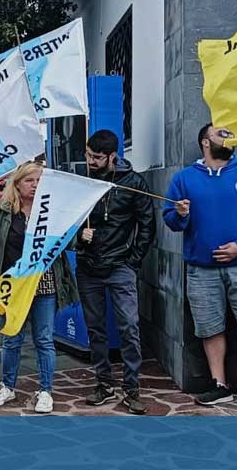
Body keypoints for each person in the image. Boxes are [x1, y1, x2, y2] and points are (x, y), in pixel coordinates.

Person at [162, 123, 237, 416]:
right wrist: (180, 215)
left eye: (230, 134)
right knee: (209, 328)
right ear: (205, 142)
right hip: (201, 270)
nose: (228, 138)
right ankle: (220, 384)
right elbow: (171, 221)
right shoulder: (184, 179)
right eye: (221, 134)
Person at [0, 161, 79, 414]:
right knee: (11, 339)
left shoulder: (50, 211)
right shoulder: (5, 210)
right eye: (30, 181)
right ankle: (7, 386)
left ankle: (46, 391)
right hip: (13, 287)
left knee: (44, 340)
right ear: (17, 184)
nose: (35, 185)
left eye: (39, 181)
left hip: (44, 283)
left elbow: (67, 241)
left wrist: (81, 235)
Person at [75, 130, 155, 414]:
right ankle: (103, 384)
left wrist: (133, 261)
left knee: (129, 327)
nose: (90, 161)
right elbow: (66, 222)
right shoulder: (82, 182)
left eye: (96, 157)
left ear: (112, 156)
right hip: (88, 267)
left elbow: (147, 225)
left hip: (121, 266)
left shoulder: (133, 183)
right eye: (88, 155)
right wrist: (77, 238)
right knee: (95, 329)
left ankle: (132, 388)